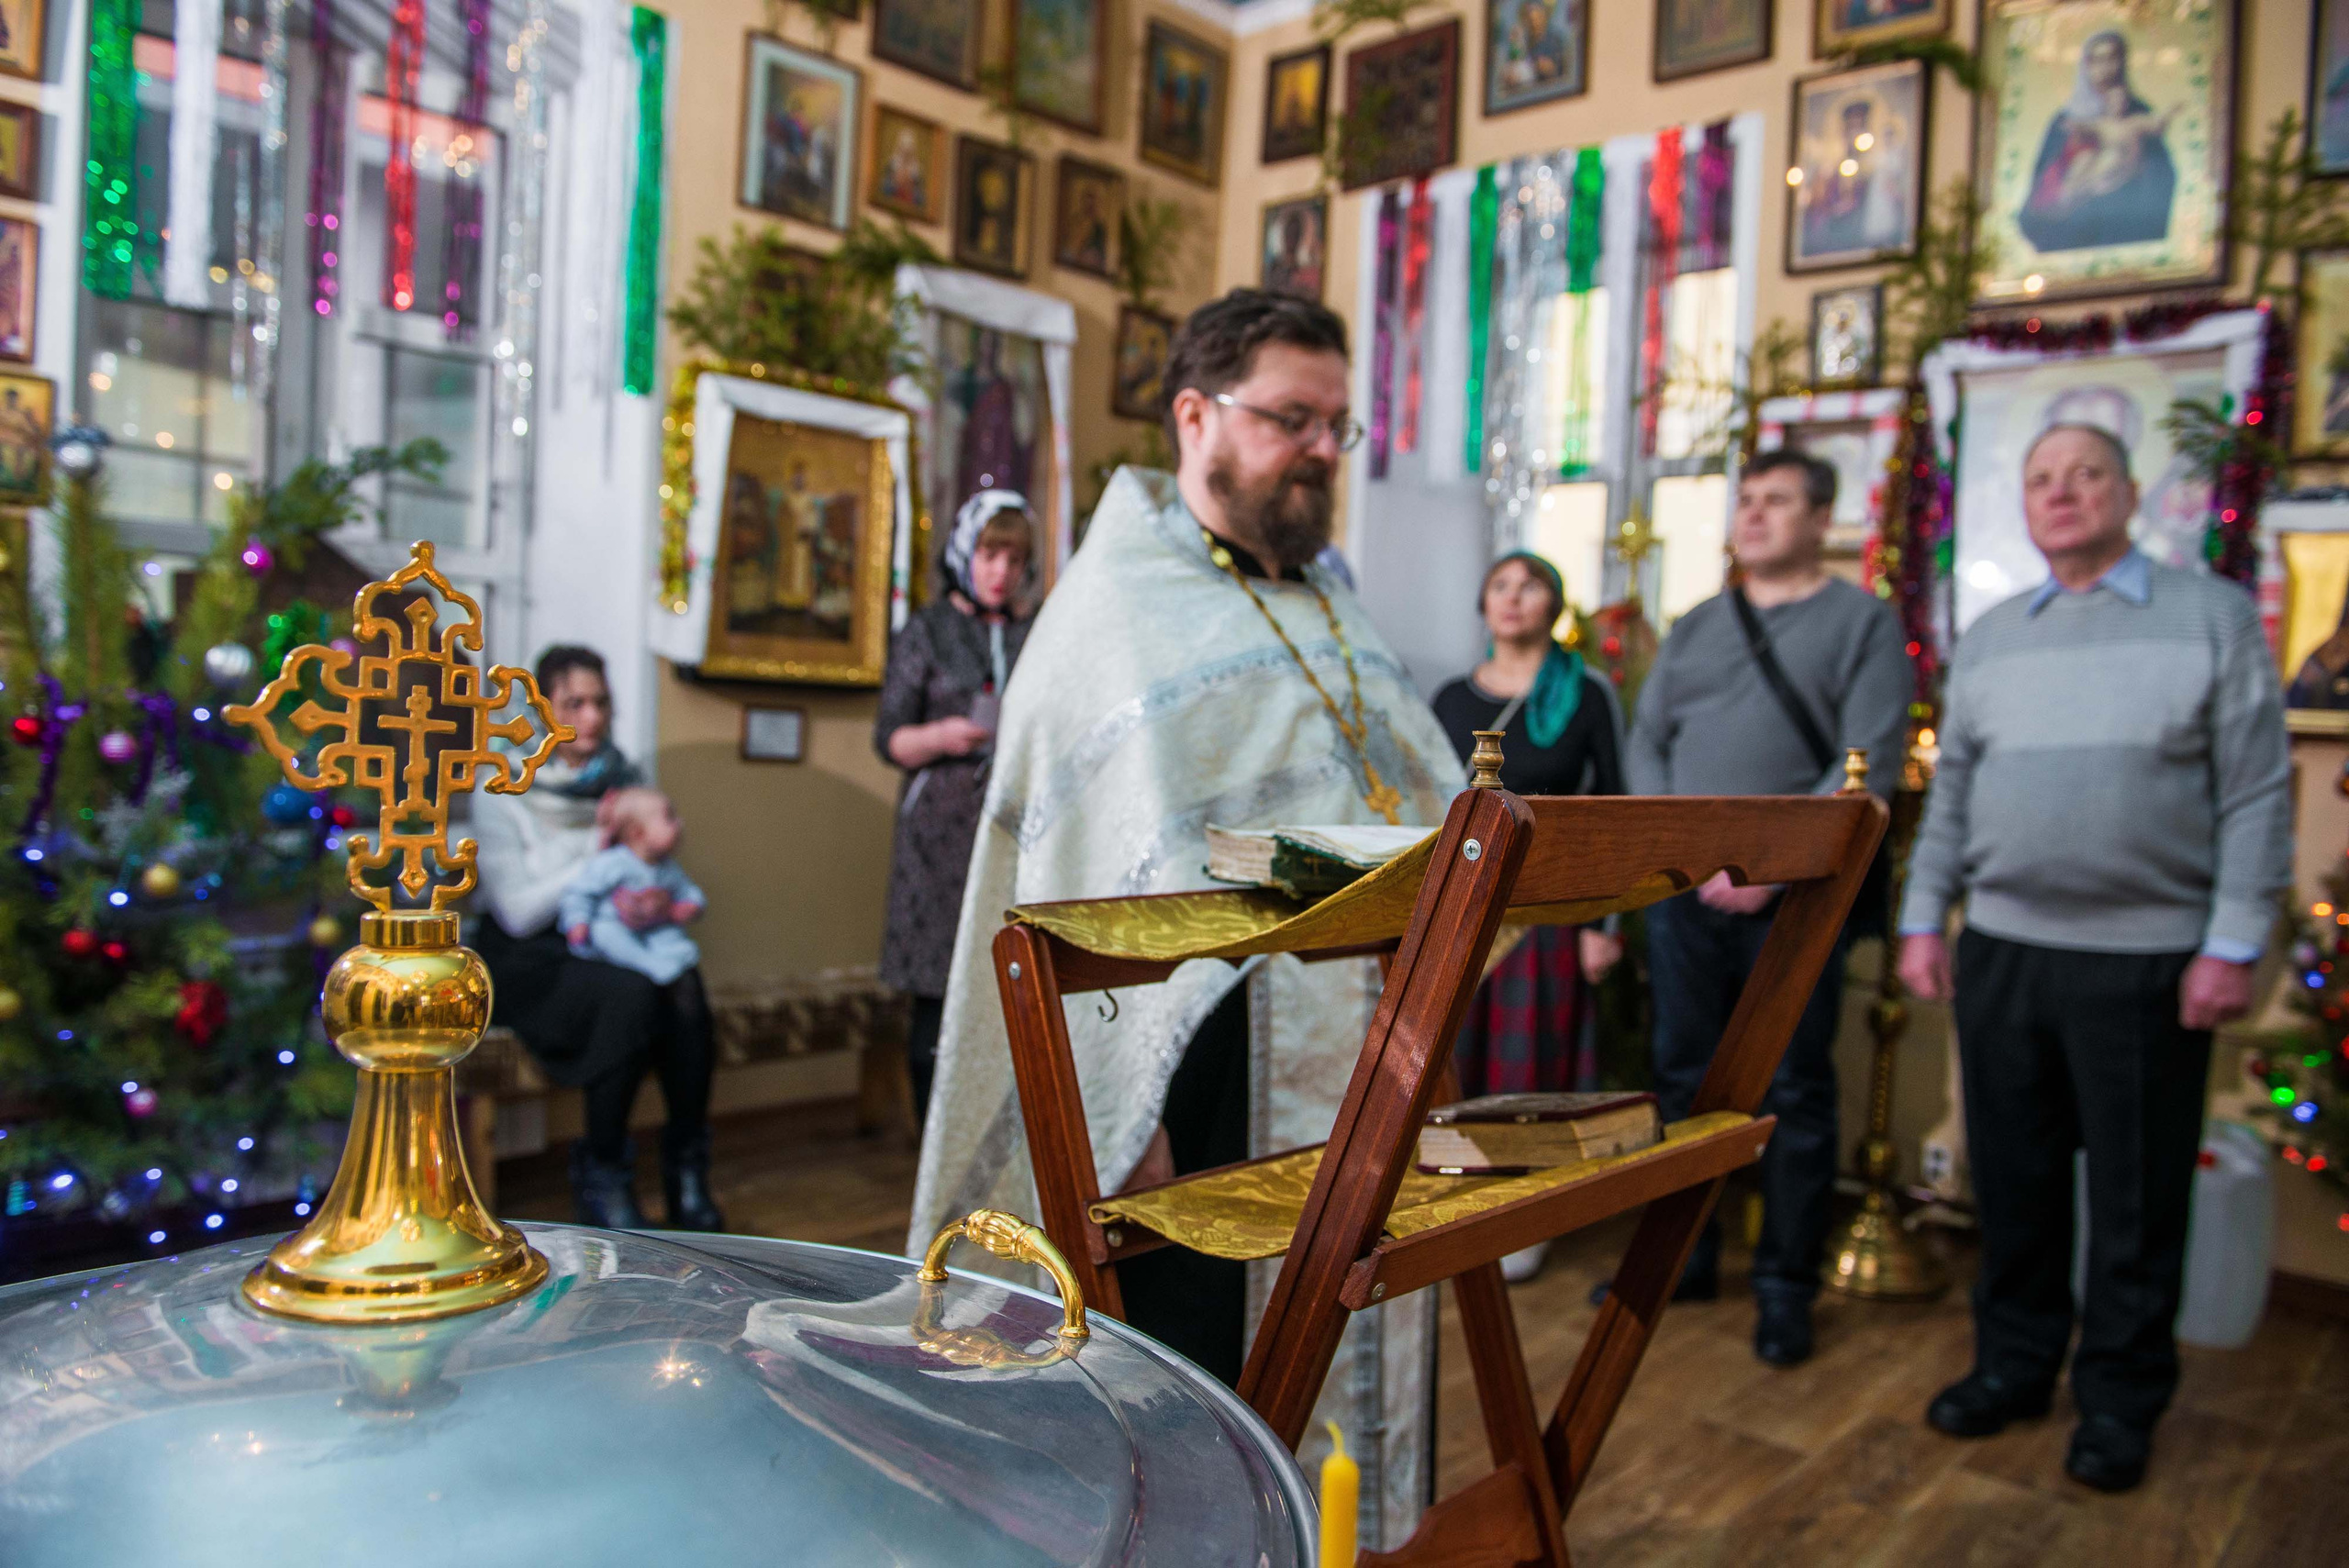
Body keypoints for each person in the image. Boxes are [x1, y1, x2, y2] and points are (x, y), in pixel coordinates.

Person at [908, 289, 1462, 1548]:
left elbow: (1427, 799)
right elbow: (1081, 884)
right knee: (1191, 1396)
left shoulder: (1329, 603)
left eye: (1338, 425)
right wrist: (1117, 1112)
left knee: (1329, 1357)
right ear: (1196, 415)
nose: (1322, 449)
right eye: (1291, 419)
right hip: (1192, 1084)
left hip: (1357, 1052)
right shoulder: (1118, 611)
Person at [1896, 425, 2291, 1495]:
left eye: (2083, 474)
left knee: (2134, 1196)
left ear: (2129, 493)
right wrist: (1924, 915)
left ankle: (2119, 1399)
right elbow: (1953, 797)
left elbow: (2256, 793)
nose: (2060, 493)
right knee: (2014, 1185)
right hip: (2007, 952)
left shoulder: (2207, 616)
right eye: (2039, 478)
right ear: (2022, 505)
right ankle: (2014, 1366)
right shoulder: (1989, 637)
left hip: (2150, 961)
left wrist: (2231, 941)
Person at [1627, 448, 1909, 1368]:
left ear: (1819, 517)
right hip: (1684, 894)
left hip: (1796, 903)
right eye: (1744, 500)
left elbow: (1863, 763)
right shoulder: (1698, 623)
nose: (1752, 515)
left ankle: (1784, 1285)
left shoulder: (1861, 623)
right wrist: (1679, 853)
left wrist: (1770, 869)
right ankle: (1684, 1261)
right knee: (1682, 1078)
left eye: (1775, 500)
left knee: (1792, 1089)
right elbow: (1649, 740)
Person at [472, 646, 725, 1233]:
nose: (592, 717)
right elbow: (517, 913)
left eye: (601, 703)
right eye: (574, 704)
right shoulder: (501, 786)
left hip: (608, 940)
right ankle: (603, 1174)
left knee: (683, 983)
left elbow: (645, 874)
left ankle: (686, 1165)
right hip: (529, 958)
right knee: (628, 995)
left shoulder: (628, 779)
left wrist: (650, 902)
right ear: (541, 712)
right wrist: (597, 852)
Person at [1433, 551, 1626, 1282]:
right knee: (1460, 1058)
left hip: (1547, 911)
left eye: (1530, 585)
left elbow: (1614, 807)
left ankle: (1523, 1213)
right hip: (1462, 905)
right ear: (1485, 605)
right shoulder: (1452, 697)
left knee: (1531, 1064)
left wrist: (1600, 926)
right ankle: (1457, 1200)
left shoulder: (1585, 696)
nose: (1514, 599)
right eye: (1500, 586)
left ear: (1554, 602)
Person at [874, 492, 1038, 1122]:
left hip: (1014, 832)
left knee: (1011, 991)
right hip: (938, 840)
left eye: (1014, 557)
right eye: (991, 553)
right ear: (966, 551)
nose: (1001, 570)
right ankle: (932, 1143)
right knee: (936, 998)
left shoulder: (1032, 629)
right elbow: (889, 737)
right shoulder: (928, 628)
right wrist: (944, 736)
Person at [2017, 29, 2176, 253]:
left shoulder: (2138, 112)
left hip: (2122, 222)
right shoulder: (2065, 119)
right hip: (2070, 226)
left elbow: (2161, 174)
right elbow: (2042, 181)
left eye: (2112, 58)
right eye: (2098, 59)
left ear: (2122, 63)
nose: (2106, 67)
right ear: (2086, 65)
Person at [561, 787, 706, 984]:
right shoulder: (612, 862)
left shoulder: (668, 867)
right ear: (637, 833)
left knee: (674, 940)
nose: (679, 823)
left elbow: (687, 891)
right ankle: (649, 965)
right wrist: (578, 922)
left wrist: (690, 905)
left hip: (655, 930)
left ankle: (673, 961)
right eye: (669, 817)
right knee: (604, 933)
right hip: (616, 926)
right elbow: (580, 893)